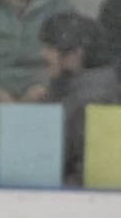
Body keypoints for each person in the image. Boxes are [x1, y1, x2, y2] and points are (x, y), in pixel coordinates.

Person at [40, 11, 121, 185]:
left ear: (75, 55)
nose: (42, 54)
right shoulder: (72, 90)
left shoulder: (91, 100)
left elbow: (55, 156)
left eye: (49, 47)